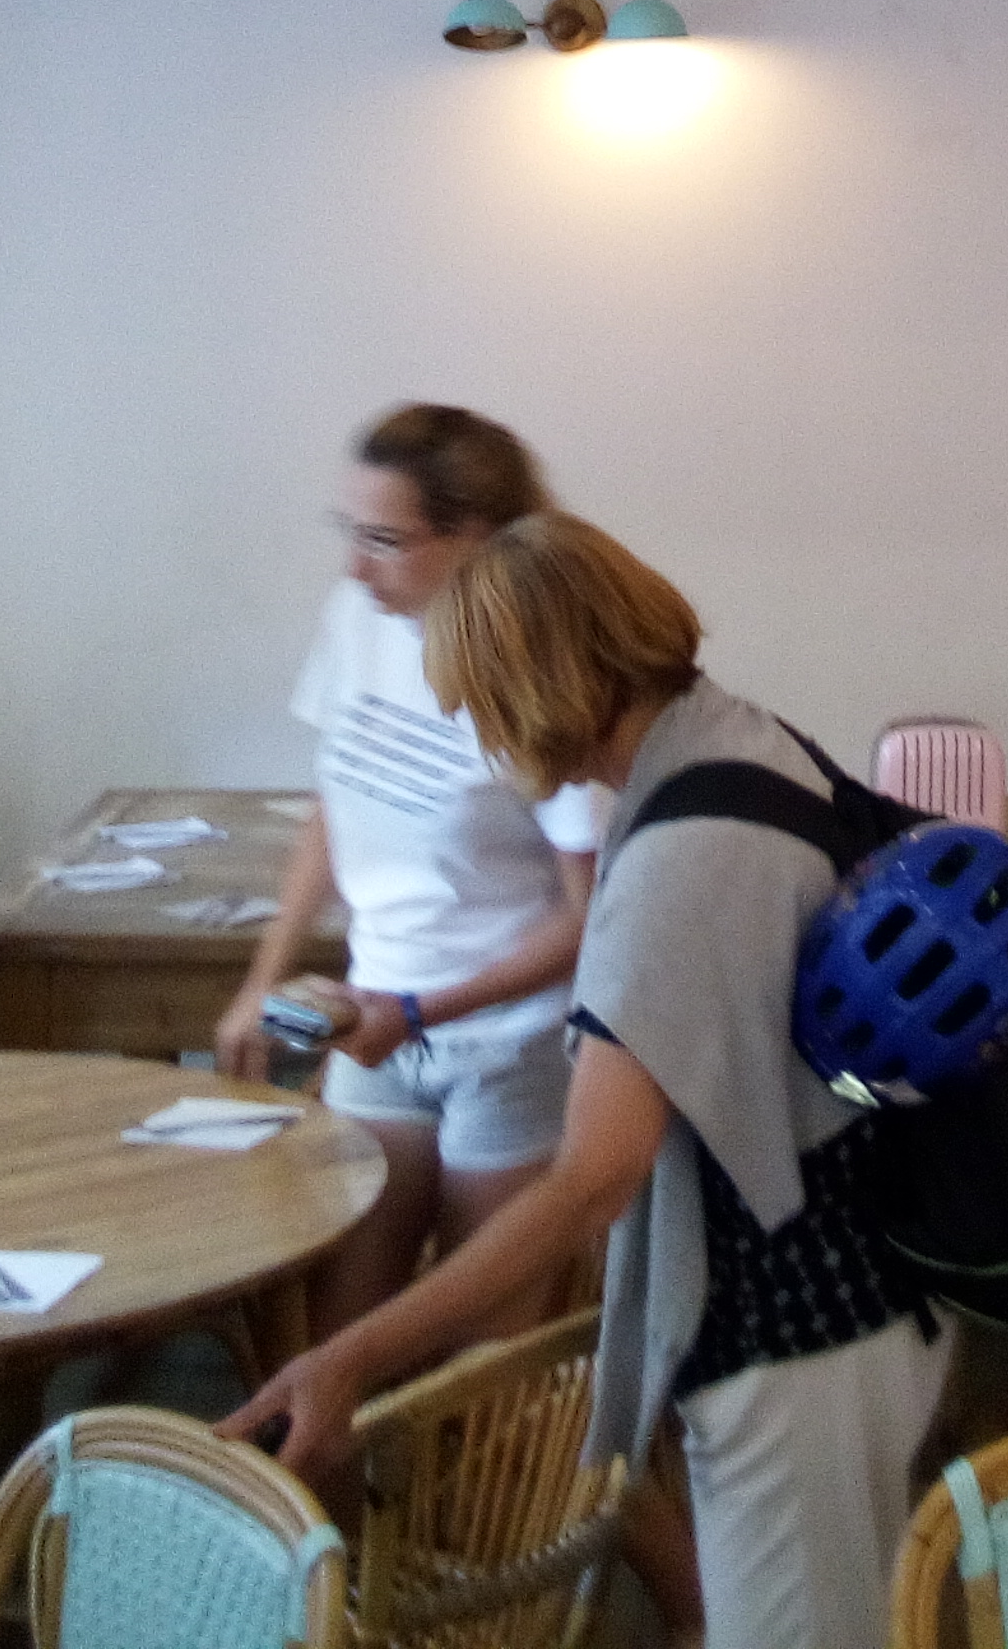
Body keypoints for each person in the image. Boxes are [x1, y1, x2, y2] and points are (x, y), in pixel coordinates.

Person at [224, 512, 949, 1649]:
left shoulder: (671, 861)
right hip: (874, 1275)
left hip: (797, 1332)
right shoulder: (742, 741)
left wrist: (350, 1358)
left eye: (479, 703)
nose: (475, 734)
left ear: (542, 688)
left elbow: (589, 1183)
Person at [210, 403, 604, 1337]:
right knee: (343, 1331)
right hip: (374, 1019)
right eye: (349, 531)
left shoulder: (545, 669)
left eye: (385, 541)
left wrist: (424, 1011)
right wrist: (261, 982)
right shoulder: (358, 617)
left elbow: (592, 917)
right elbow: (332, 808)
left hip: (508, 1040)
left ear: (479, 539)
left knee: (480, 1350)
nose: (356, 567)